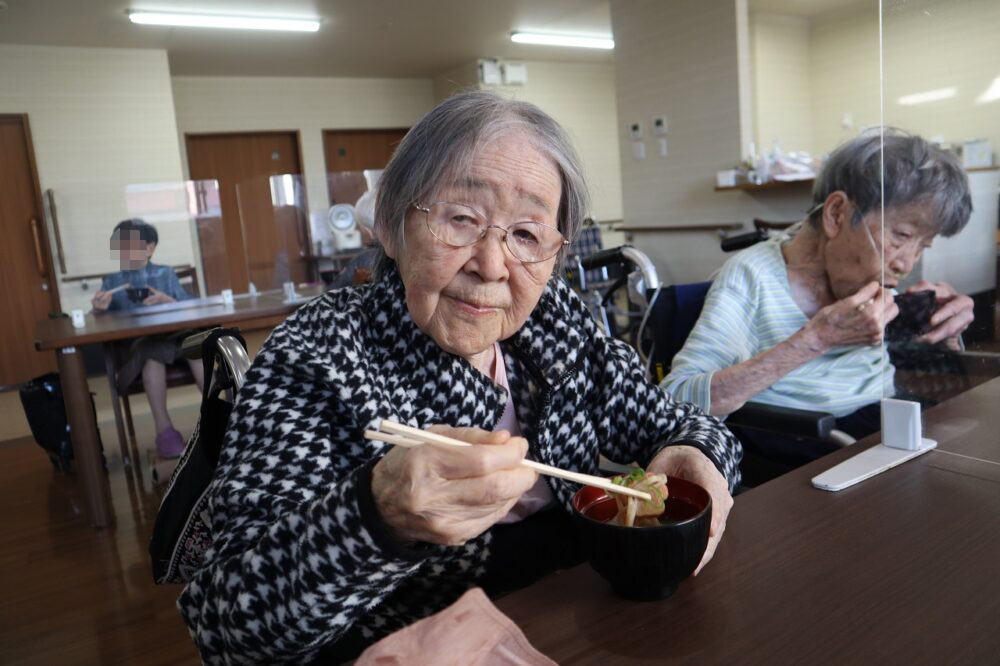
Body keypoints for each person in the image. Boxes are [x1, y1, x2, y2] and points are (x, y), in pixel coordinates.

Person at [178, 91, 742, 664]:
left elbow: (683, 426)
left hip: (577, 622)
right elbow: (228, 630)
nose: (493, 266)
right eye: (462, 219)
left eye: (526, 235)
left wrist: (699, 458)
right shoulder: (317, 353)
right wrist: (377, 514)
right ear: (394, 228)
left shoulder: (557, 321)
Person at [662, 131, 973, 472]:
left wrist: (942, 325)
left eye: (923, 246)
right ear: (837, 214)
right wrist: (815, 340)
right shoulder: (752, 277)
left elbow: (905, 363)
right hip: (811, 444)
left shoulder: (861, 270)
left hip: (888, 423)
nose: (906, 263)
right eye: (901, 236)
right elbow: (675, 402)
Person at [91, 218, 205, 458]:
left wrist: (169, 301)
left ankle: (219, 418)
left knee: (197, 348)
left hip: (175, 337)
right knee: (152, 357)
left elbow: (192, 307)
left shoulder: (166, 273)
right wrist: (99, 310)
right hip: (140, 346)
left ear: (150, 247)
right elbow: (99, 324)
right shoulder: (112, 281)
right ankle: (165, 432)